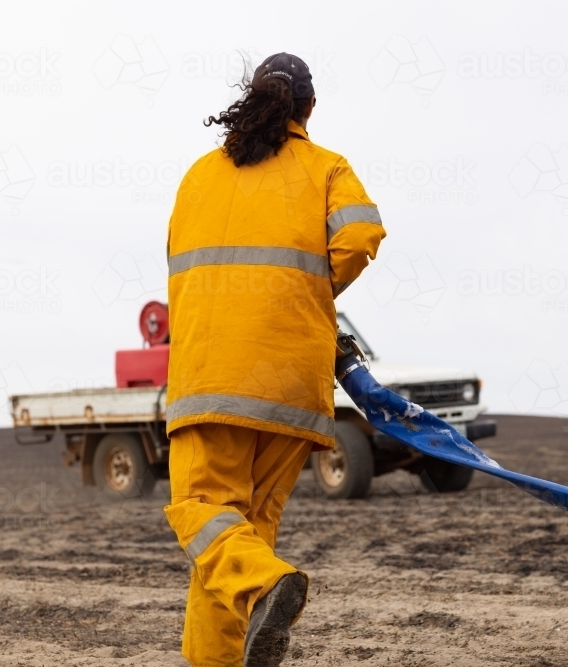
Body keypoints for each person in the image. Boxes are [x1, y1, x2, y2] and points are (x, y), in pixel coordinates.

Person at [163, 52, 386, 666]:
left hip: (211, 380)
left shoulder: (199, 176)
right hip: (291, 383)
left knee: (204, 515)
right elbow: (361, 234)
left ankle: (266, 583)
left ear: (247, 99)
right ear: (309, 109)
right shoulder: (326, 167)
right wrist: (309, 297)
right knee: (240, 543)